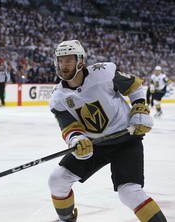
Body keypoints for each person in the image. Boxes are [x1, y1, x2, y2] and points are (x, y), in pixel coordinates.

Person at [48, 40, 166, 222]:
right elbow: (70, 127)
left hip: (125, 140)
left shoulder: (103, 73)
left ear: (80, 61)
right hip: (94, 145)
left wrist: (139, 107)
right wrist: (77, 140)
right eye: (60, 60)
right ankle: (66, 220)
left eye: (68, 60)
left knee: (129, 193)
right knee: (57, 180)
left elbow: (134, 86)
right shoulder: (58, 98)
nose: (63, 65)